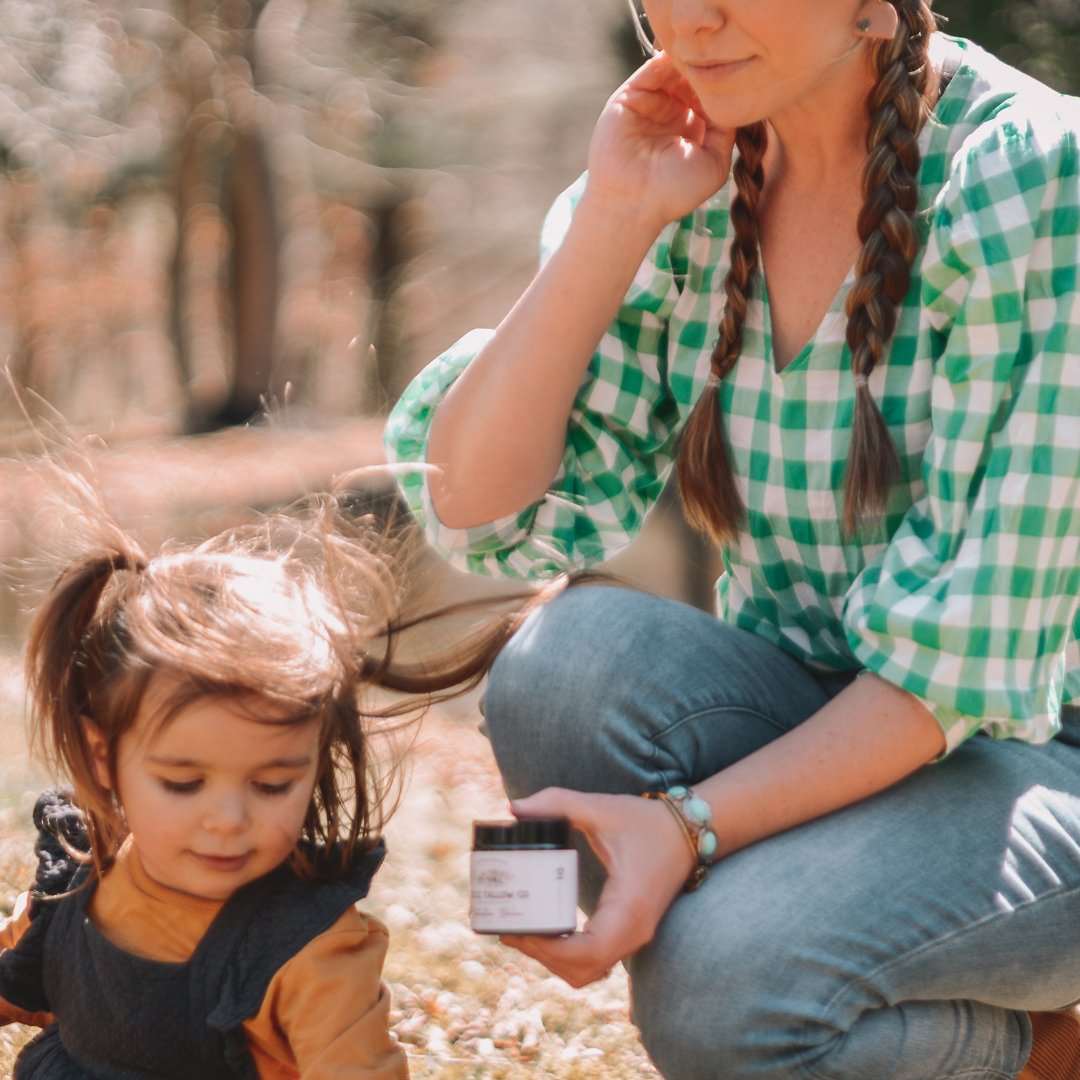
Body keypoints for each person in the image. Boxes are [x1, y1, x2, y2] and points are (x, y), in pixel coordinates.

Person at [384, 0, 1080, 1077]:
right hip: (824, 724)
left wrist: (686, 829)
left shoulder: (1030, 171)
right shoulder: (694, 167)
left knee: (724, 987)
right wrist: (617, 212)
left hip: (1040, 762)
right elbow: (477, 508)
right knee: (555, 669)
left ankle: (1035, 1045)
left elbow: (960, 667)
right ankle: (893, 991)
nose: (693, 17)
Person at [0, 469, 546, 1079]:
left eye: (272, 784)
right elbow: (18, 981)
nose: (229, 821)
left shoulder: (305, 949)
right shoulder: (77, 877)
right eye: (183, 783)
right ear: (105, 760)